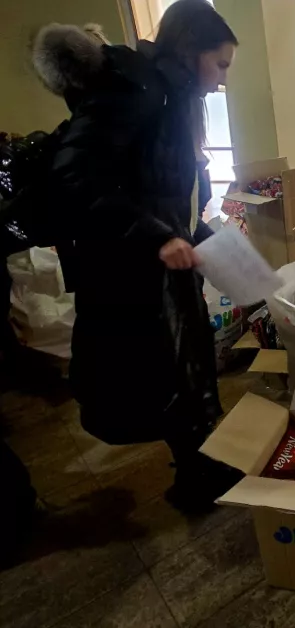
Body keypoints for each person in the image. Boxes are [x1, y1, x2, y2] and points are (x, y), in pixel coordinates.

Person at [36, 0, 240, 511]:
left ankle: (197, 467)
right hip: (132, 269)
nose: (222, 80)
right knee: (165, 374)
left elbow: (161, 185)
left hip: (163, 262)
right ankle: (194, 475)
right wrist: (157, 237)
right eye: (220, 65)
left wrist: (197, 232)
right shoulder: (138, 90)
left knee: (187, 367)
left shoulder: (173, 97)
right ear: (191, 50)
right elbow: (73, 176)